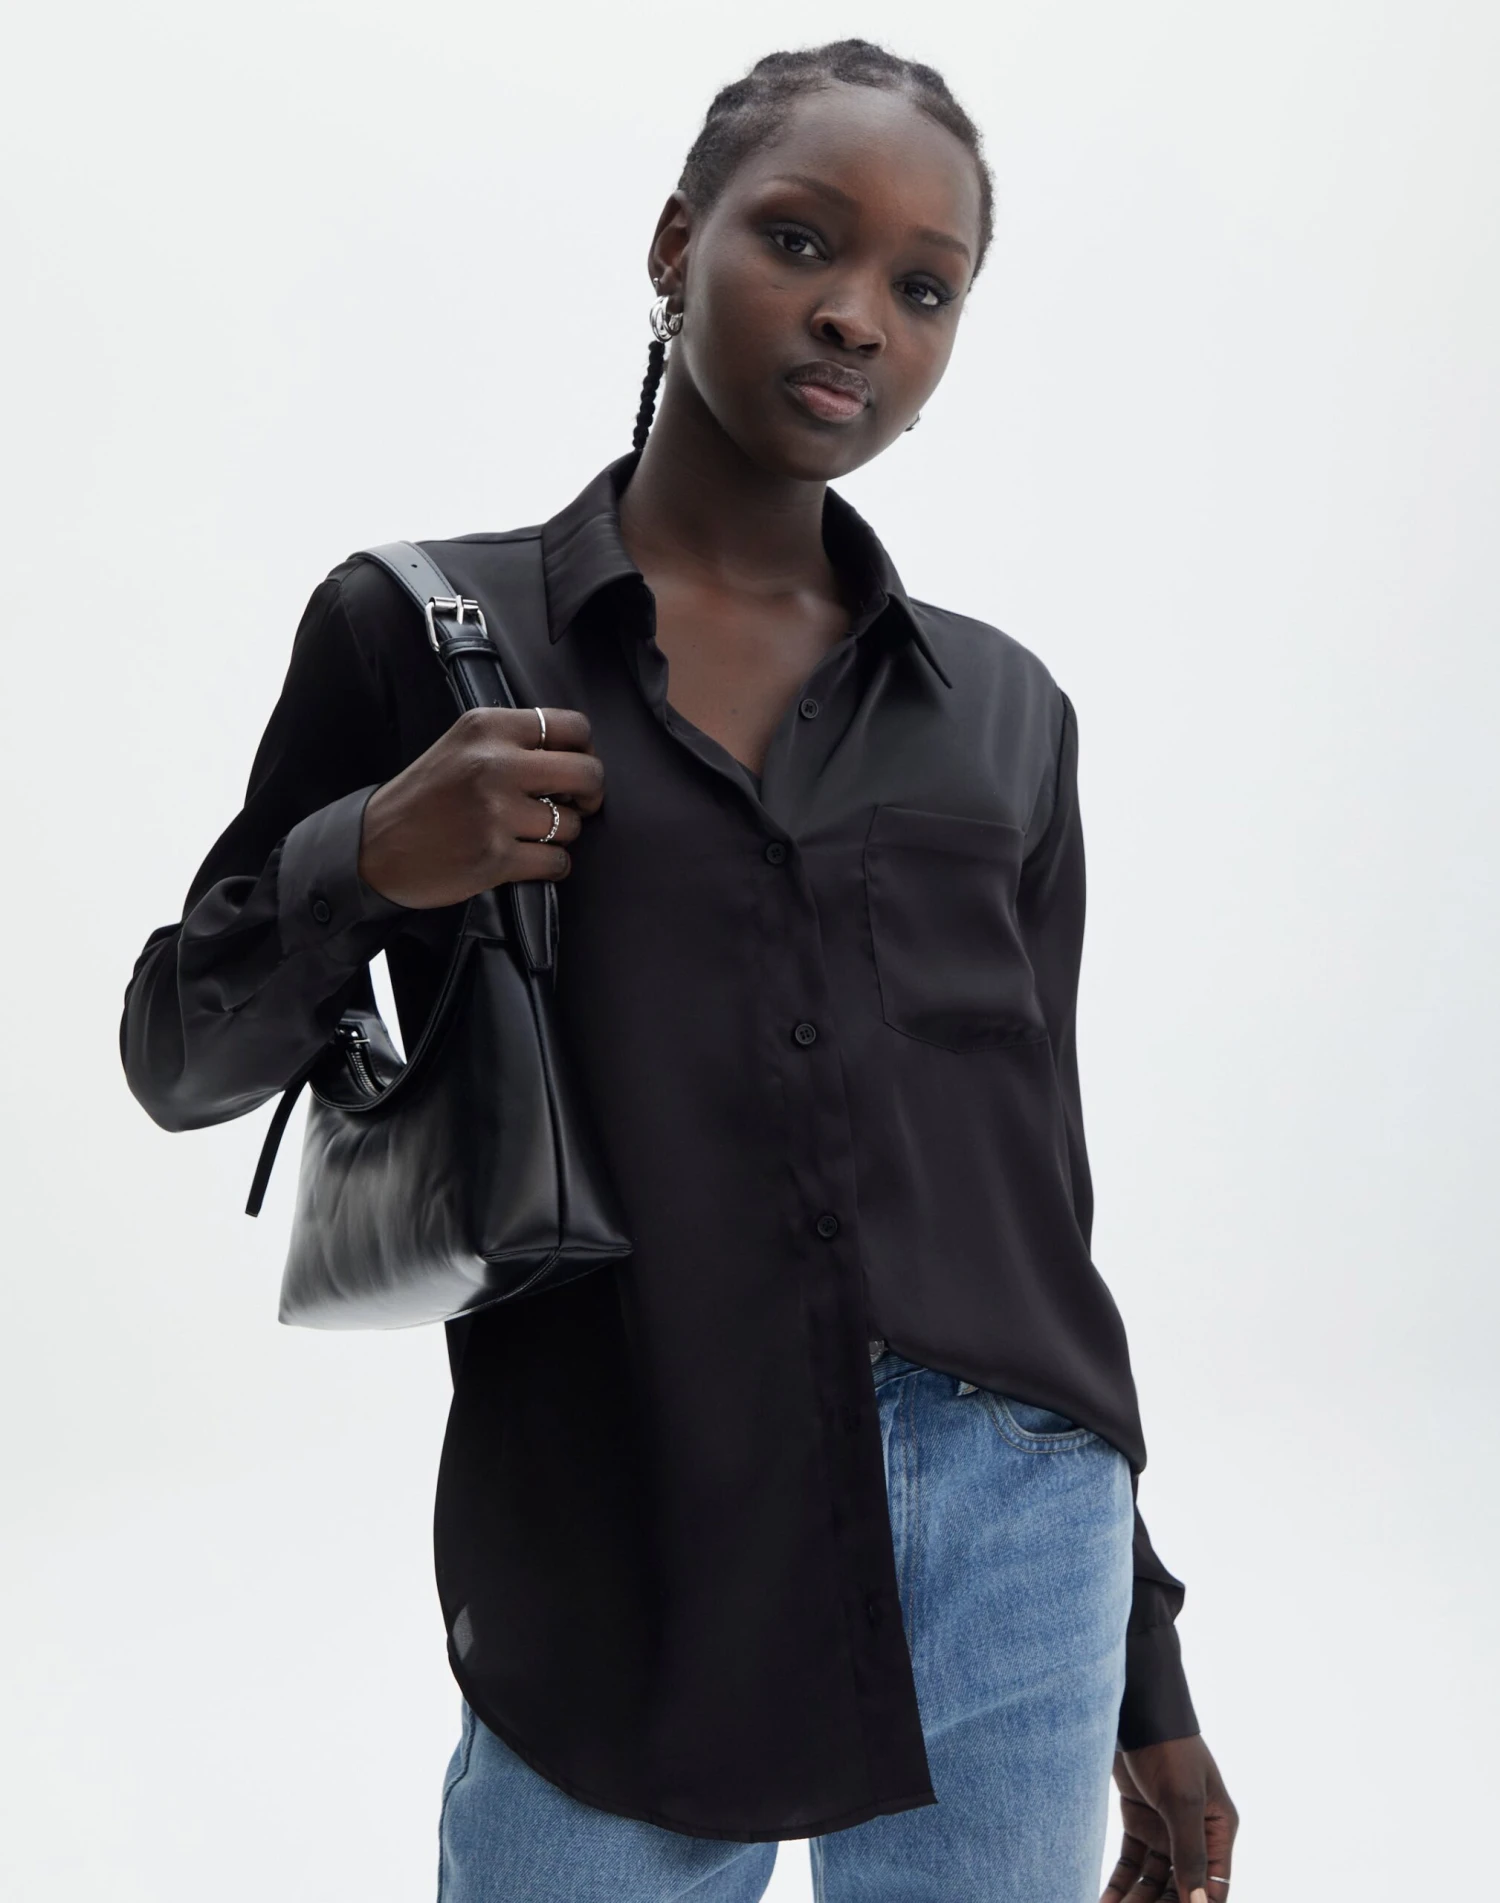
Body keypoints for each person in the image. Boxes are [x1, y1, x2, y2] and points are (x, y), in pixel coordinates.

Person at [121, 38, 1239, 1903]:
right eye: (801, 239)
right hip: (621, 1546)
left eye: (926, 287)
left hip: (1020, 1546)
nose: (859, 313)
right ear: (673, 243)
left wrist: (1146, 1663)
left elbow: (1039, 1203)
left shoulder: (1008, 714)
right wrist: (370, 856)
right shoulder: (428, 630)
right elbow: (178, 1053)